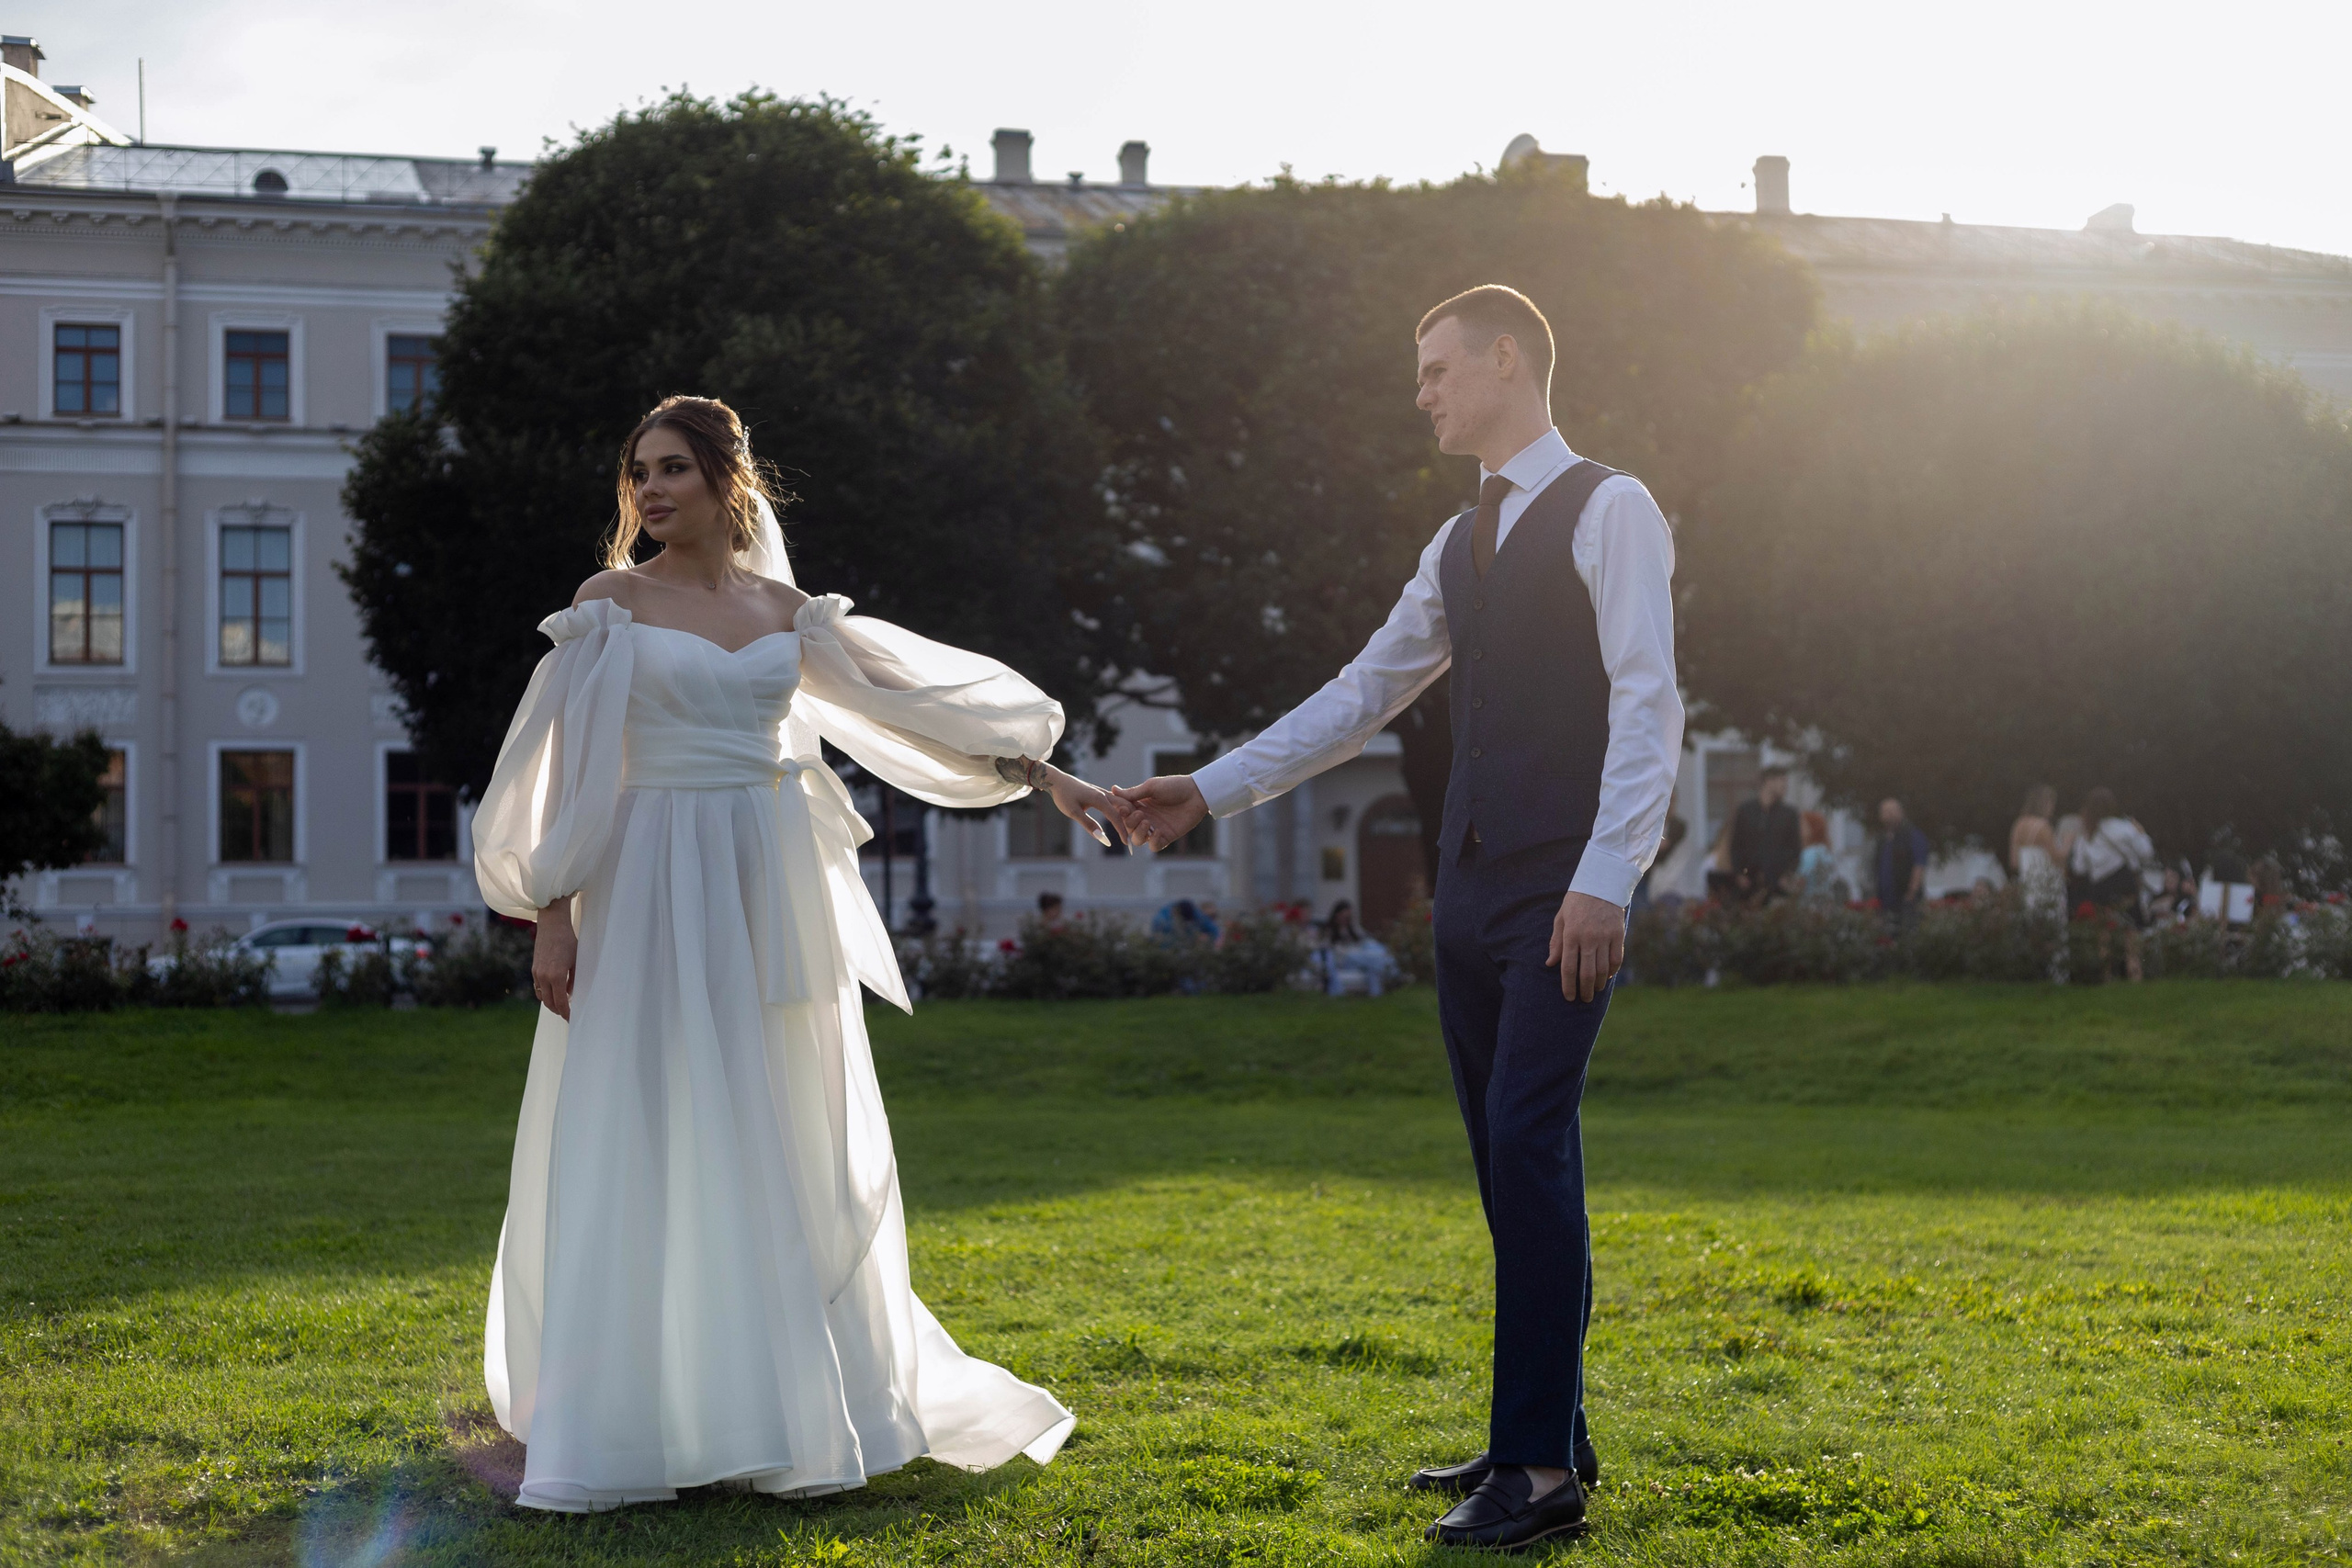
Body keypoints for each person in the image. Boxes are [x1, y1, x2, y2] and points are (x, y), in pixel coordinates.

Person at [471, 396, 1131, 1512]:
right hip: (643, 881)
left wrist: (1045, 775)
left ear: (731, 482)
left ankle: (786, 1406)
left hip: (766, 886)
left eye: (674, 468)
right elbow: (567, 774)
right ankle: (631, 1415)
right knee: (643, 1124)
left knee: (782, 1130)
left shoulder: (789, 614)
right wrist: (557, 912)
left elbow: (909, 711)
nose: (651, 491)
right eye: (638, 473)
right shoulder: (608, 607)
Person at [1114, 285, 1683, 1550]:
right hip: (1471, 887)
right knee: (1507, 1156)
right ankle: (1550, 1423)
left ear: (1505, 360)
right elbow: (1362, 692)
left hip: (1559, 885)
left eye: (1435, 369)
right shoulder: (1457, 536)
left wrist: (1608, 876)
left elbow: (1649, 702)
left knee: (1530, 1141)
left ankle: (1537, 1472)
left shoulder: (1613, 506)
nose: (1421, 392)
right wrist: (1204, 788)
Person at [2071, 785, 2154, 980]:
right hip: (2124, 882)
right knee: (2131, 930)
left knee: (2103, 932)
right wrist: (2141, 833)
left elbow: (2079, 867)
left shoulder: (2087, 834)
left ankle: (2106, 975)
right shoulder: (2124, 828)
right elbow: (2146, 853)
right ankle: (2135, 974)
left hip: (2099, 885)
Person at [1728, 766, 1803, 906]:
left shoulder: (1789, 814)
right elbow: (1736, 846)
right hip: (1748, 887)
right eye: (1782, 781)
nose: (1785, 786)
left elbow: (1795, 850)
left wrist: (1787, 876)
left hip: (1777, 886)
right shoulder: (1746, 811)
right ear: (1769, 781)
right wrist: (1739, 874)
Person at [1322, 898, 1401, 997]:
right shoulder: (1330, 931)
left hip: (1358, 957)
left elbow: (1365, 939)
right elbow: (1329, 949)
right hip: (1345, 960)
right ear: (1337, 915)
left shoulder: (1353, 928)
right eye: (1344, 916)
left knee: (1373, 964)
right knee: (1371, 959)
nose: (1346, 919)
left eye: (1348, 917)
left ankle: (1376, 995)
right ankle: (1394, 972)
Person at [2008, 784, 2065, 918]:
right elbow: (2057, 858)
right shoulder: (2043, 826)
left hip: (2028, 883)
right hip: (2047, 884)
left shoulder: (2019, 824)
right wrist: (2068, 841)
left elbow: (2014, 862)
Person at [1874, 798, 1929, 934]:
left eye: (1892, 811)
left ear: (1901, 812)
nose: (1889, 814)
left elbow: (1919, 864)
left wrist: (1911, 893)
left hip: (1906, 902)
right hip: (1886, 903)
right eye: (1885, 811)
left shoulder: (1912, 836)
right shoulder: (1882, 840)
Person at [1795, 811, 1839, 902]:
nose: (1799, 829)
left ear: (1813, 828)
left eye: (1803, 825)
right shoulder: (1824, 850)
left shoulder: (1809, 853)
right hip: (1825, 901)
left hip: (1809, 903)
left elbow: (1800, 881)